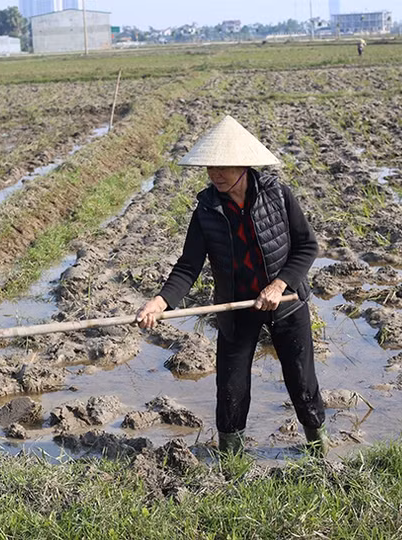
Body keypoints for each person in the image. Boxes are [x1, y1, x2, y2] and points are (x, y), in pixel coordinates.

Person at [136, 116, 329, 457]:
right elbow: (188, 264)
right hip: (237, 307)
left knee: (302, 382)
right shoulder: (207, 210)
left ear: (243, 165)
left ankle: (318, 451)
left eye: (223, 167)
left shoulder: (278, 196)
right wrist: (160, 302)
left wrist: (279, 284)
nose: (215, 174)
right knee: (230, 386)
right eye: (211, 167)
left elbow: (307, 247)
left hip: (285, 301)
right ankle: (231, 462)